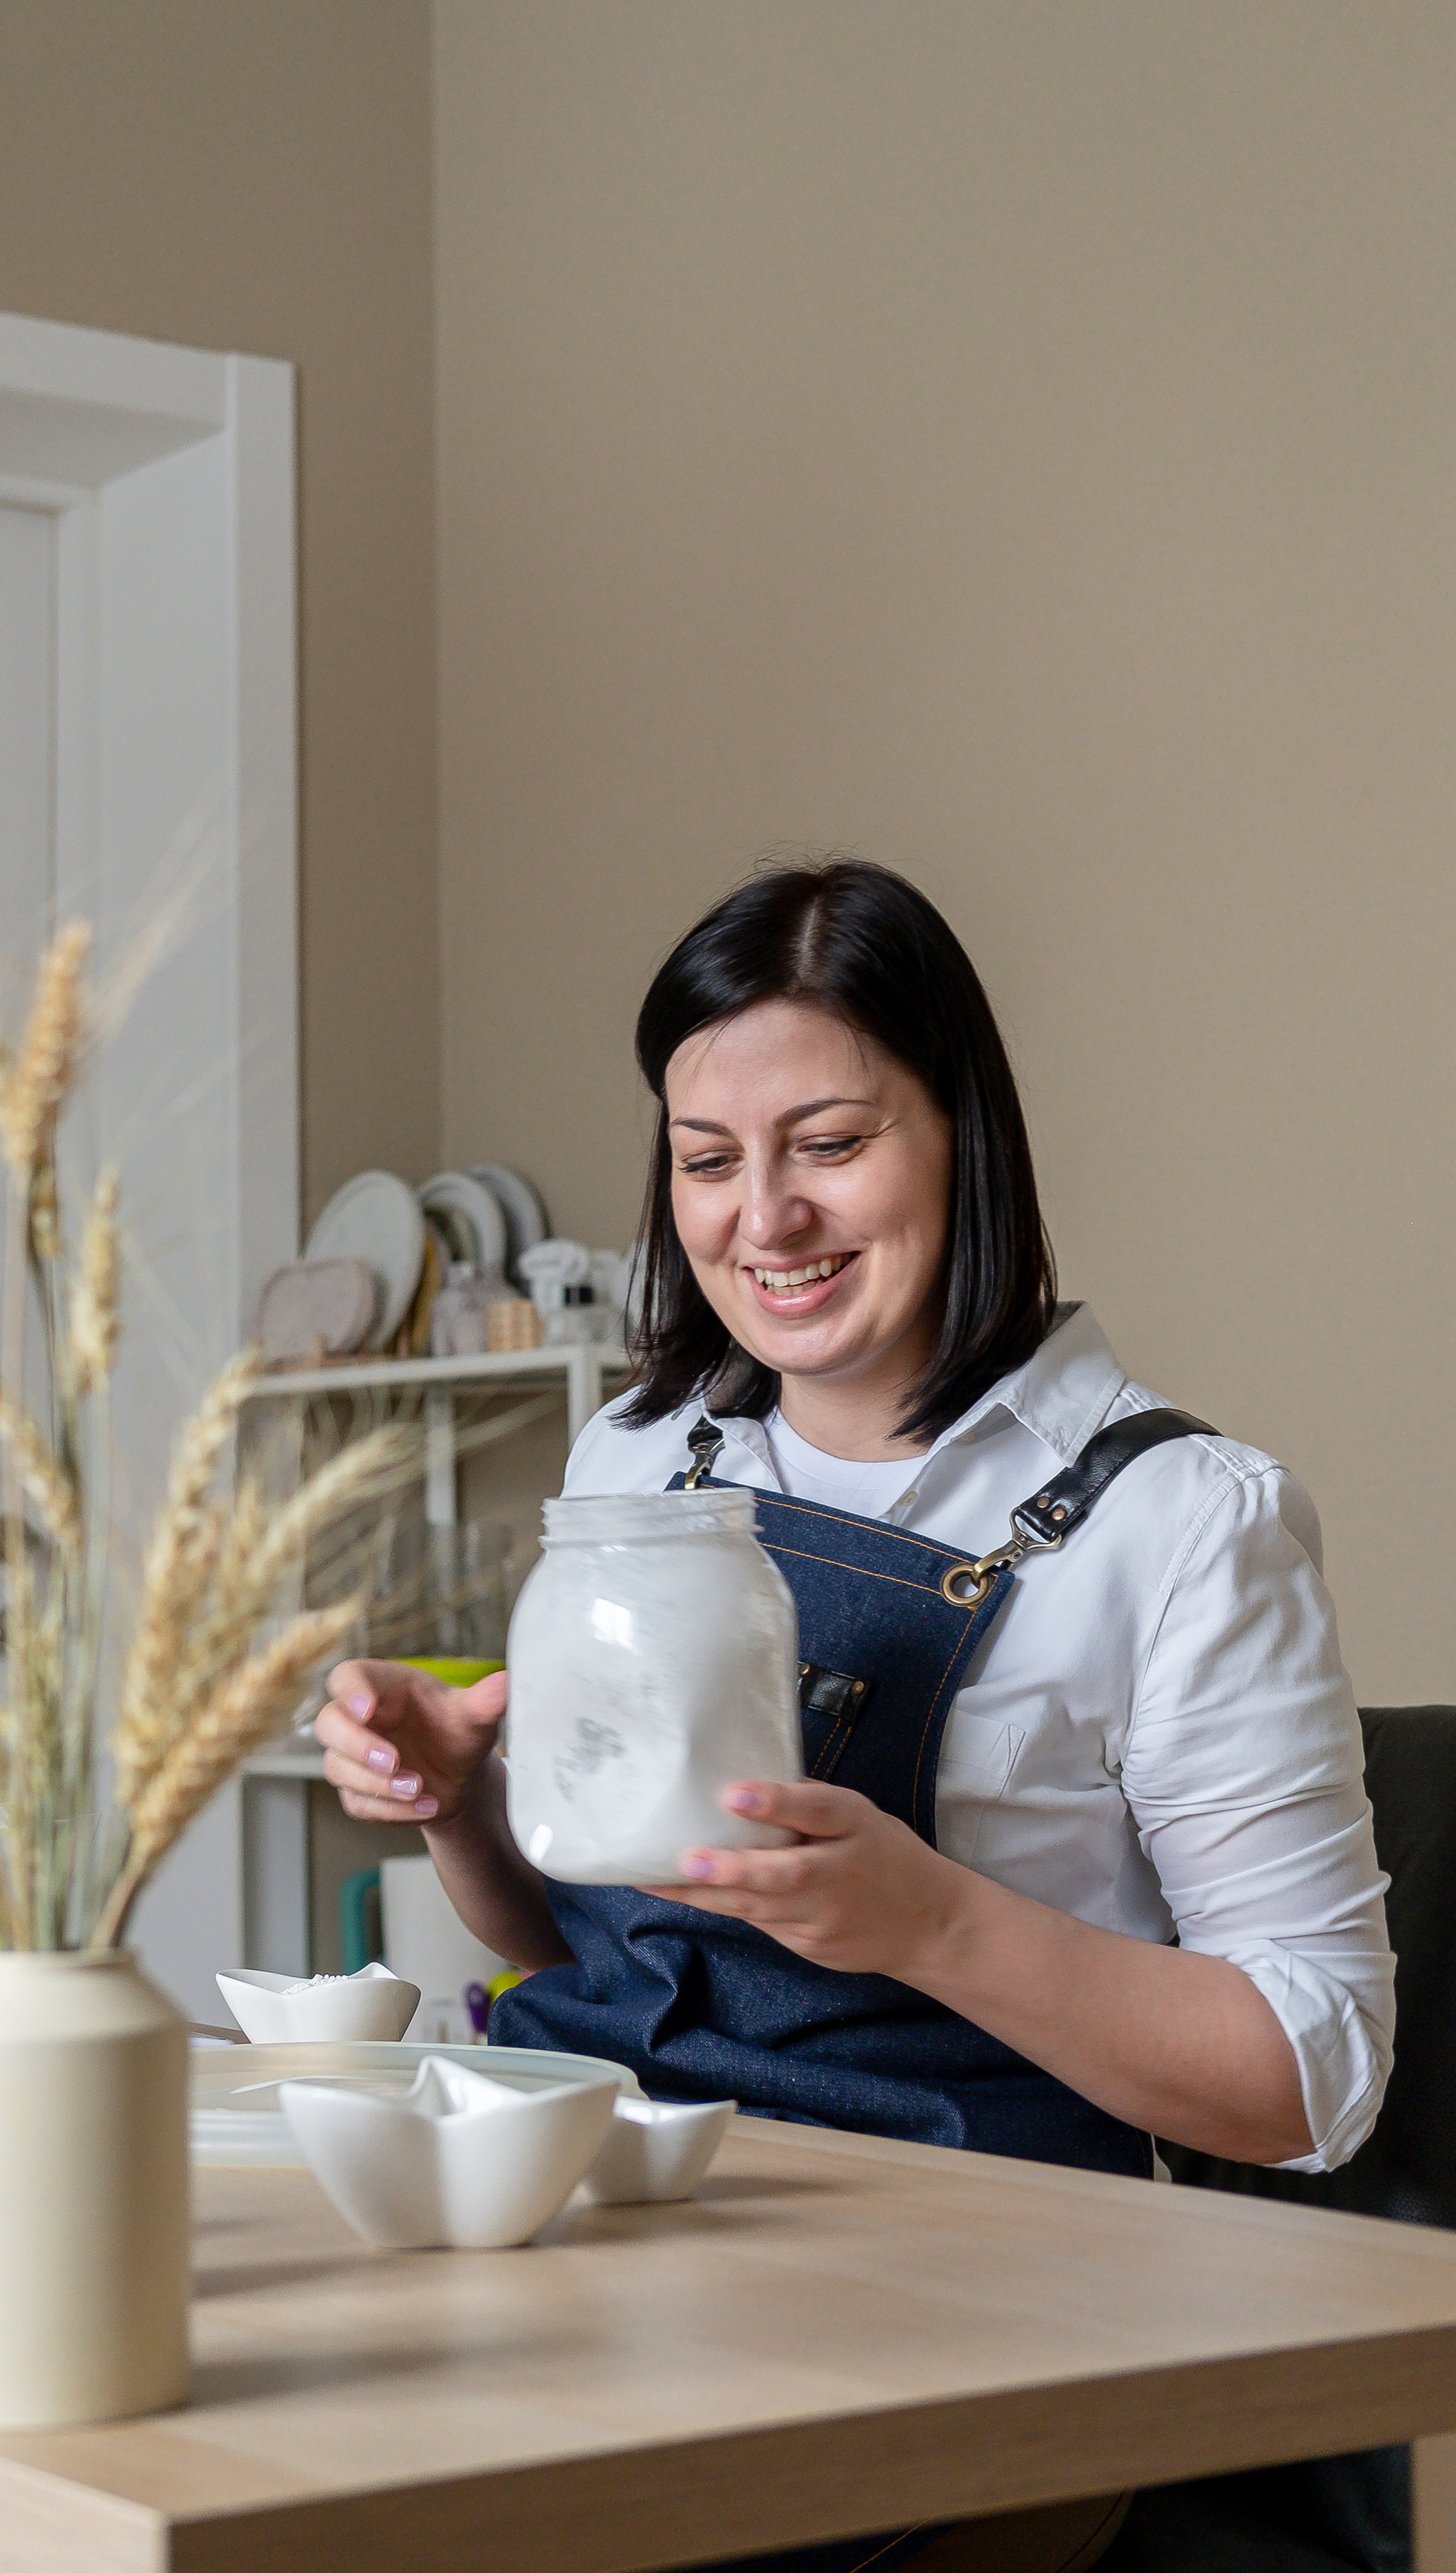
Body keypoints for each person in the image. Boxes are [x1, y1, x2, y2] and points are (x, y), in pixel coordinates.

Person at [315, 861, 1393, 2573]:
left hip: (982, 2304)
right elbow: (591, 1943)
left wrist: (931, 1920)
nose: (763, 1219)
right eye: (707, 1160)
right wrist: (464, 1804)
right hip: (620, 2214)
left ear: (962, 1132)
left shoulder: (1176, 1518)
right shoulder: (636, 1460)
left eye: (828, 1144)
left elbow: (1305, 2079)